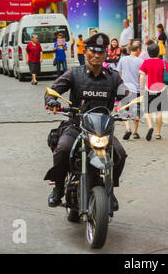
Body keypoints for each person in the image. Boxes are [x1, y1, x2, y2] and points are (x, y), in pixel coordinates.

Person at [44, 32, 128, 209]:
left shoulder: (113, 77)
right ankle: (58, 187)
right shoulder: (74, 74)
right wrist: (52, 101)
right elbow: (53, 90)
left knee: (120, 154)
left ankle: (110, 190)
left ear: (105, 54)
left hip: (102, 130)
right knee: (62, 149)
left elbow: (127, 96)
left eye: (101, 52)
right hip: (77, 126)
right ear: (86, 52)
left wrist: (134, 107)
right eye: (93, 51)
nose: (97, 55)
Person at [139, 43, 168, 141]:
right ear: (158, 52)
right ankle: (158, 133)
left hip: (149, 89)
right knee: (159, 112)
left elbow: (142, 76)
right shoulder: (163, 62)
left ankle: (150, 126)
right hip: (161, 89)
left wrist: (141, 88)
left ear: (148, 53)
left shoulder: (146, 62)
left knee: (147, 111)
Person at [117, 41, 144, 140]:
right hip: (136, 89)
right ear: (138, 50)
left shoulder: (122, 59)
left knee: (124, 109)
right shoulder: (141, 61)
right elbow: (141, 76)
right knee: (136, 111)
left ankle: (128, 129)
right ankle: (135, 132)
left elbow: (119, 72)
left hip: (124, 88)